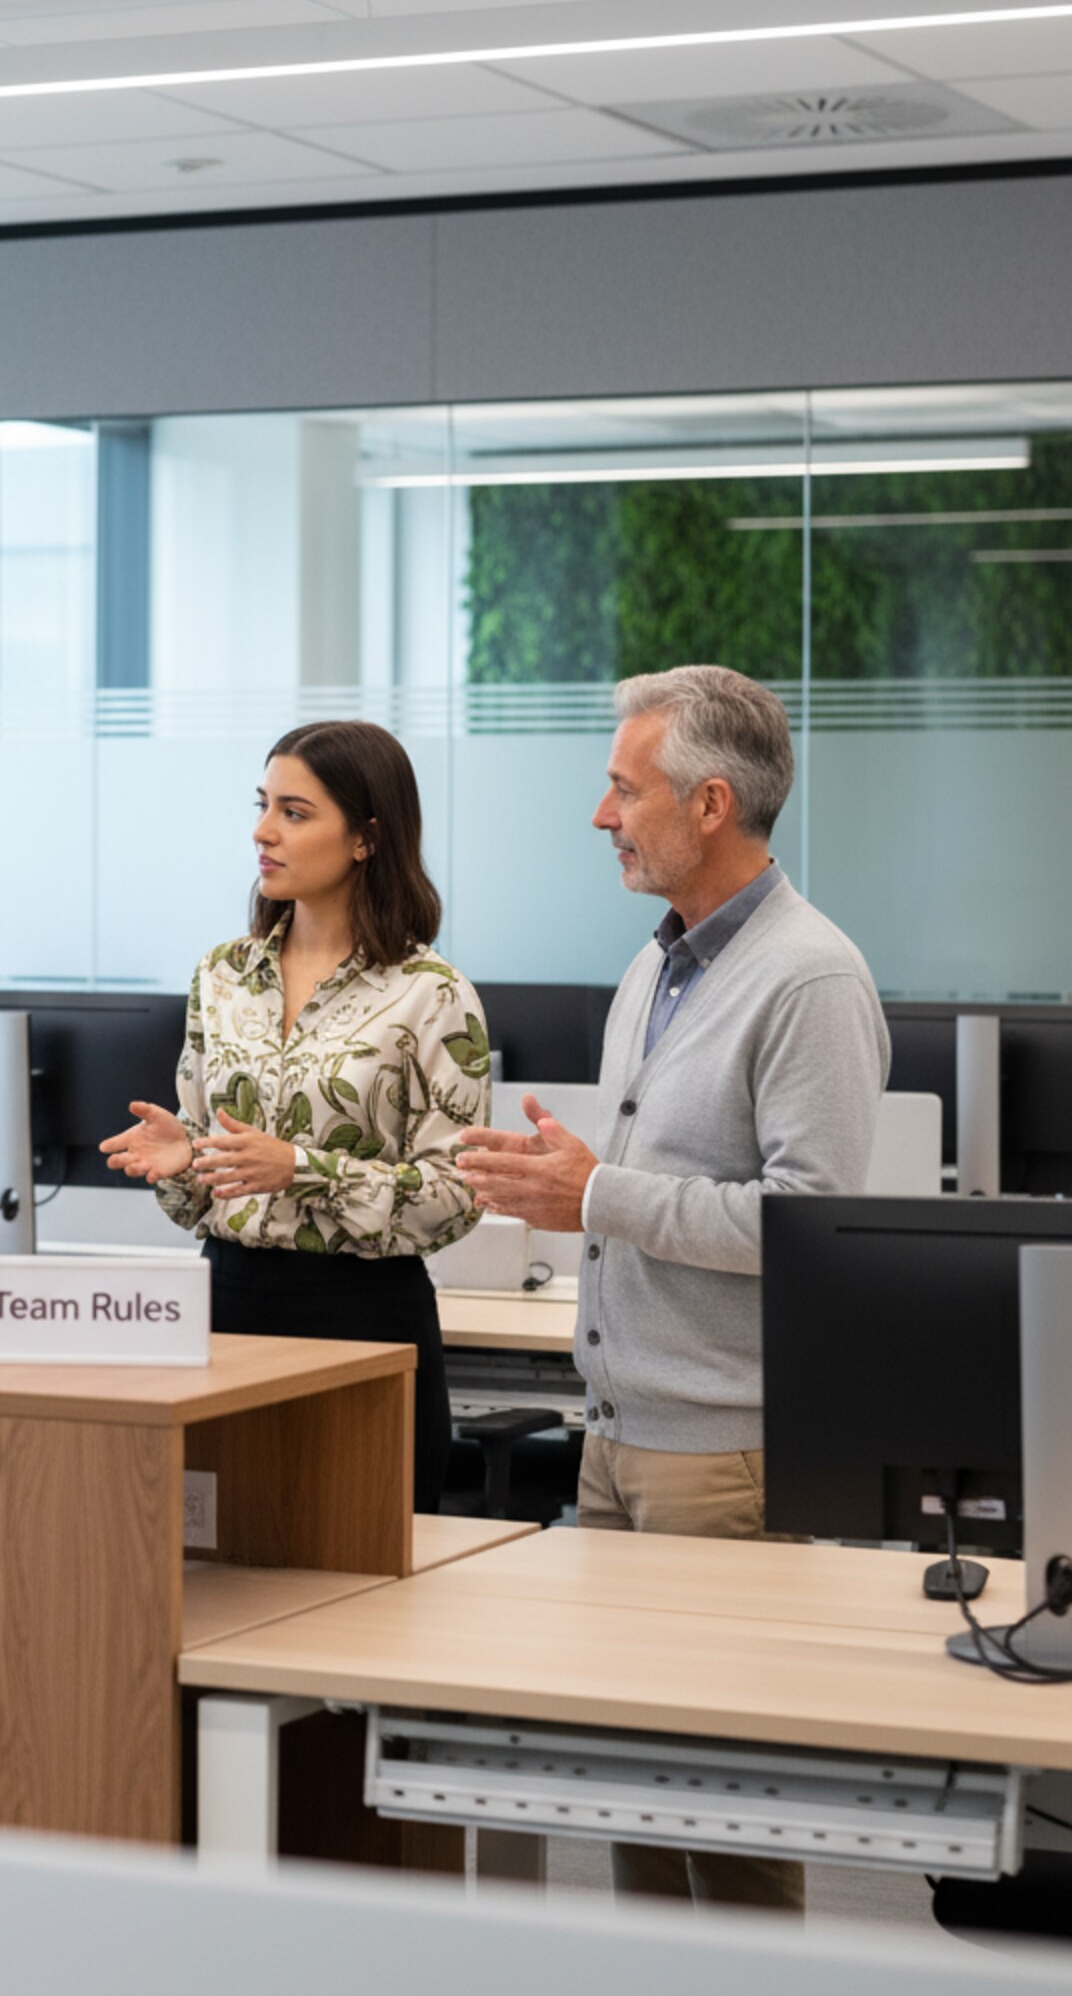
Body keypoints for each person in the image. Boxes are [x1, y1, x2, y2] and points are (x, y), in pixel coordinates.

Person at [456, 664, 889, 1916]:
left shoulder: (807, 977)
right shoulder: (657, 962)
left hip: (724, 1452)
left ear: (708, 803)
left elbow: (807, 1225)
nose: (600, 815)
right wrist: (566, 1186)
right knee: (631, 1796)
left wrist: (594, 1196)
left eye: (619, 786)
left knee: (730, 1810)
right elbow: (643, 1180)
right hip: (617, 1433)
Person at [99, 720, 487, 1513]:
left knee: (363, 1581)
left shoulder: (432, 993)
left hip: (364, 1316)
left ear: (366, 839)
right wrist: (185, 1160)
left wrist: (304, 1169)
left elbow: (458, 1196)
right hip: (228, 1304)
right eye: (263, 805)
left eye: (295, 813)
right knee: (222, 1560)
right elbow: (204, 1196)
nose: (262, 832)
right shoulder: (222, 975)